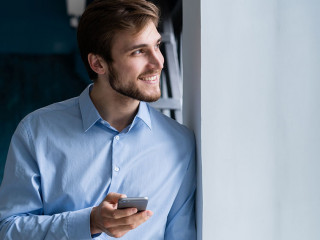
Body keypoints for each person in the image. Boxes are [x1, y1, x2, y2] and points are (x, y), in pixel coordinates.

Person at [0, 0, 196, 239]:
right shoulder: (36, 132)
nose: (158, 62)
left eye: (157, 45)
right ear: (98, 63)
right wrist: (90, 222)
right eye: (138, 51)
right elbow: (8, 230)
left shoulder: (181, 143)